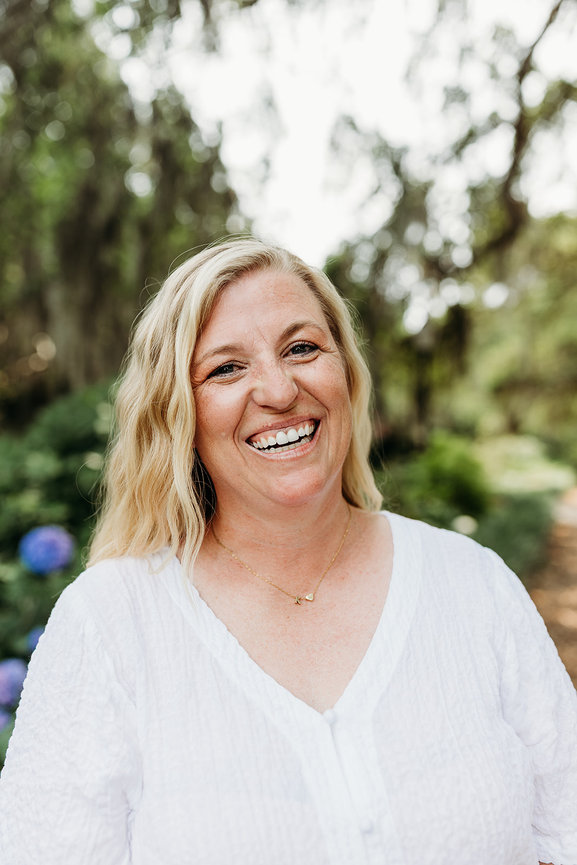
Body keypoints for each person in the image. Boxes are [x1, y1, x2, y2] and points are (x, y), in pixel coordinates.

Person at [0, 238, 576, 865]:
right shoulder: (110, 625)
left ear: (346, 372)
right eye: (226, 368)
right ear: (179, 414)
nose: (277, 389)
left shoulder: (473, 584)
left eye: (302, 348)